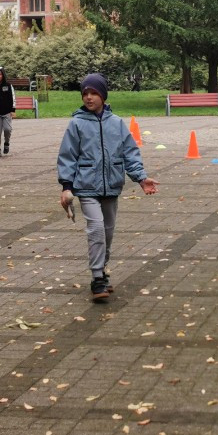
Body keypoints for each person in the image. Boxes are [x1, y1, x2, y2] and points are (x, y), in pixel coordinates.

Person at [57, 73, 159, 302]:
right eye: (85, 93)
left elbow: (130, 154)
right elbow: (67, 156)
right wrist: (66, 186)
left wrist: (141, 179)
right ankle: (96, 278)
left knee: (108, 232)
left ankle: (102, 270)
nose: (89, 97)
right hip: (85, 186)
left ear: (103, 95)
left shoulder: (117, 123)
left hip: (111, 185)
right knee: (96, 230)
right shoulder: (76, 123)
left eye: (94, 93)